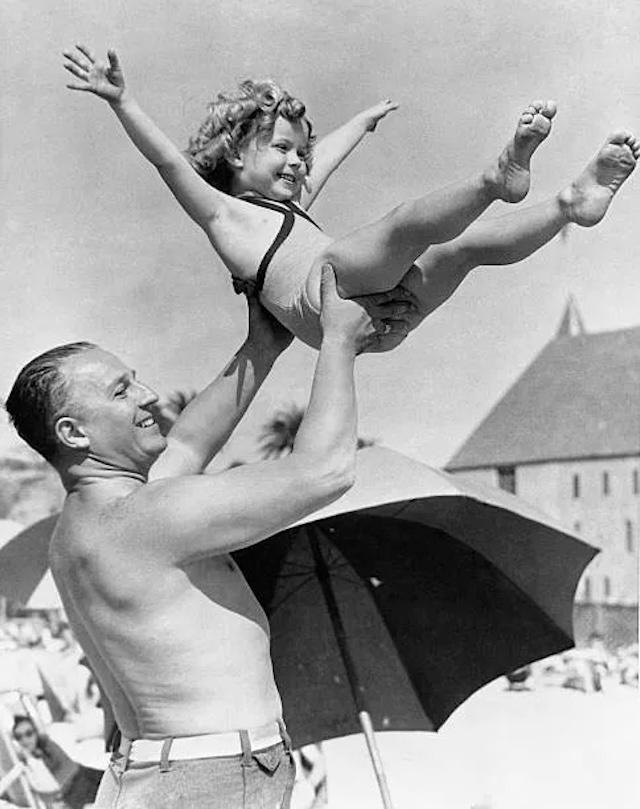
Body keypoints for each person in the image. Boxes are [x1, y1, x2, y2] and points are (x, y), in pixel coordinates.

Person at [5, 269, 394, 809]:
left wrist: (261, 346)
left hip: (171, 772)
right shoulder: (143, 520)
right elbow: (323, 471)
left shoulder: (92, 523)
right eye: (121, 391)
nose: (147, 395)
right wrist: (339, 342)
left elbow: (186, 442)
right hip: (209, 778)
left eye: (135, 379)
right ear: (74, 433)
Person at [62, 45, 639, 351]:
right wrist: (122, 102)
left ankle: (569, 204)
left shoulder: (293, 200)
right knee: (399, 228)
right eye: (281, 149)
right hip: (327, 297)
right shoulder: (223, 214)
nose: (296, 162)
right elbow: (167, 160)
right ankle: (496, 178)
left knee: (462, 249)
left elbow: (325, 156)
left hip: (380, 310)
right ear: (235, 155)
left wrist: (360, 123)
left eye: (299, 152)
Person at [11, 716, 103, 809]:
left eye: (29, 733)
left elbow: (70, 767)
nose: (25, 739)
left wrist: (57, 789)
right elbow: (42, 794)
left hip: (82, 777)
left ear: (35, 733)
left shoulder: (46, 745)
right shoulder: (25, 765)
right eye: (19, 737)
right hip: (72, 794)